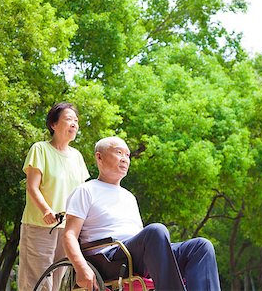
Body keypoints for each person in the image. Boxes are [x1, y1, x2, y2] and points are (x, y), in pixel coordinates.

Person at [63, 136, 221, 291]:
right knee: (156, 230)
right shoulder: (86, 190)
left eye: (127, 155)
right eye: (119, 153)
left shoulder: (129, 196)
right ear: (99, 157)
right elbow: (69, 235)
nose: (125, 159)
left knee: (201, 246)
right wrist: (81, 267)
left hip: (138, 253)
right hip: (109, 257)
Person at [18, 102, 90, 290]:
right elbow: (32, 187)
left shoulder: (77, 157)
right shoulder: (40, 149)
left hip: (68, 230)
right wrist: (46, 210)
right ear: (53, 124)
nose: (74, 124)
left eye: (76, 121)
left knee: (56, 282)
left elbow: (82, 194)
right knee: (38, 281)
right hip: (39, 225)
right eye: (68, 119)